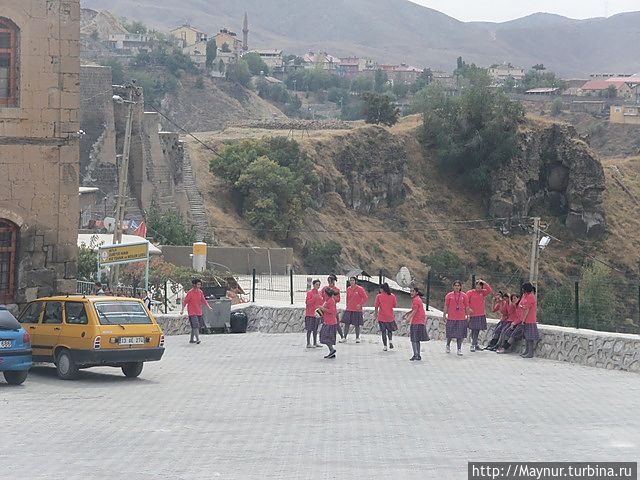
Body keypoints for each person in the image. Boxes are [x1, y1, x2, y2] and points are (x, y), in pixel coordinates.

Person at [180, 278, 213, 344]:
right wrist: (182, 310)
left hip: (198, 311)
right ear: (194, 285)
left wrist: (208, 307)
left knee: (194, 326)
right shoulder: (190, 292)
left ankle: (191, 339)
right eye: (198, 284)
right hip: (192, 312)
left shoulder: (200, 292)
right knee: (195, 325)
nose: (199, 286)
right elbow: (185, 301)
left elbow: (203, 300)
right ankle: (198, 339)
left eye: (200, 284)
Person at [466, 278, 493, 352]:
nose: (478, 287)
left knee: (477, 330)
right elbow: (465, 302)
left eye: (480, 286)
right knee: (474, 329)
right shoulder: (470, 292)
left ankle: (474, 344)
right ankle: (474, 344)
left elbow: (490, 290)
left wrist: (484, 283)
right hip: (473, 314)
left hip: (480, 314)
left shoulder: (483, 292)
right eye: (477, 285)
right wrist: (468, 309)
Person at [443, 280, 469, 356]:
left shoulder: (464, 295)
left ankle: (459, 348)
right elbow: (446, 306)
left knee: (460, 335)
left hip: (461, 318)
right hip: (451, 317)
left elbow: (467, 306)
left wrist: (468, 315)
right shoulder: (449, 295)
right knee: (450, 334)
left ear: (460, 287)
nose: (457, 287)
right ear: (453, 286)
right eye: (455, 285)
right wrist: (444, 315)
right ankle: (448, 345)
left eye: (458, 285)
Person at [403, 287, 429, 361]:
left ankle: (415, 355)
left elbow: (414, 311)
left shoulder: (416, 300)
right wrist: (407, 313)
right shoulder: (417, 299)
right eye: (410, 291)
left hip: (417, 321)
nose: (411, 293)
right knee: (417, 339)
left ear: (416, 292)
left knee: (414, 339)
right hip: (420, 321)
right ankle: (418, 355)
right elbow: (414, 309)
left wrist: (408, 318)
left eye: (413, 291)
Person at [340, 276, 368, 343]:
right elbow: (347, 298)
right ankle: (344, 337)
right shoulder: (348, 289)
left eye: (353, 280)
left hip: (357, 309)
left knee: (357, 324)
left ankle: (357, 337)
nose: (351, 282)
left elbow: (365, 298)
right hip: (349, 308)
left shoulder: (360, 289)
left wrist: (360, 304)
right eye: (350, 280)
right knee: (346, 323)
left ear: (355, 281)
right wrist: (347, 305)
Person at [374, 283, 397, 351]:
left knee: (383, 331)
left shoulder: (379, 296)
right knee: (390, 331)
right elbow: (394, 305)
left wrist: (376, 314)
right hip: (390, 316)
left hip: (381, 316)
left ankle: (385, 346)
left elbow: (376, 306)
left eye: (381, 288)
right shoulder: (392, 296)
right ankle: (390, 341)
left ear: (383, 289)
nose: (380, 290)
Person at [519, 282, 539, 358]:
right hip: (524, 318)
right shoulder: (525, 295)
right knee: (526, 337)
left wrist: (523, 320)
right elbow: (521, 304)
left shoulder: (531, 296)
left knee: (530, 337)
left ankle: (530, 353)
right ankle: (526, 351)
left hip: (529, 319)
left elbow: (527, 309)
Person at [318, 287, 338, 358]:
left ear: (326, 294)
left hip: (330, 322)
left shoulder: (331, 301)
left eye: (324, 293)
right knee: (324, 337)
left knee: (326, 337)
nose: (323, 294)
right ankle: (331, 350)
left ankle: (332, 350)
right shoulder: (327, 300)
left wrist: (323, 308)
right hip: (326, 321)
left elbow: (332, 311)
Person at [323, 275, 344, 340]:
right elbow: (321, 296)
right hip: (325, 307)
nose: (330, 283)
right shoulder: (325, 288)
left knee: (336, 323)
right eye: (329, 281)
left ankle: (342, 336)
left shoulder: (336, 290)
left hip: (333, 308)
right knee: (325, 323)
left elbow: (338, 299)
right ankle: (326, 336)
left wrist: (332, 296)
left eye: (331, 281)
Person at [304, 280, 323, 348]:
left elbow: (321, 302)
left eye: (319, 285)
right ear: (313, 285)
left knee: (315, 329)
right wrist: (313, 299)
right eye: (317, 284)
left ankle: (315, 342)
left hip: (317, 314)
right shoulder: (310, 293)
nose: (318, 286)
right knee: (309, 329)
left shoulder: (319, 293)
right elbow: (307, 302)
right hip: (310, 314)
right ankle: (308, 343)